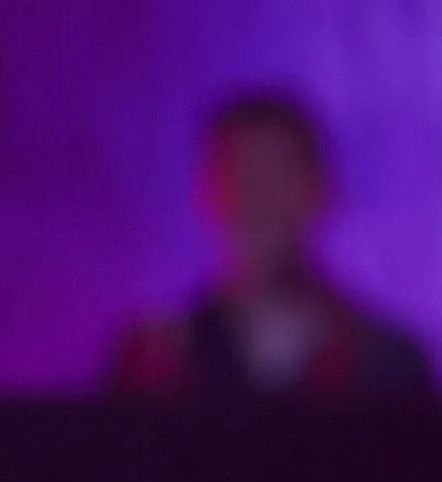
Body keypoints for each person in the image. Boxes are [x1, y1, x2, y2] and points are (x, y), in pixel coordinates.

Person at [111, 90, 433, 399]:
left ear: (320, 189)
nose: (260, 198)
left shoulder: (385, 363)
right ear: (207, 192)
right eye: (241, 174)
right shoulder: (161, 363)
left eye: (279, 174)